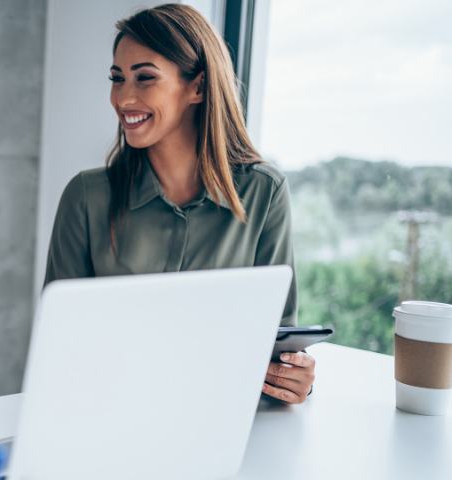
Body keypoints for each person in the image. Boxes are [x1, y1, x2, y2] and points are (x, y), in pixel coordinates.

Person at [44, 4, 315, 404]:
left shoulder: (264, 192)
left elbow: (277, 339)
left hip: (225, 422)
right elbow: (60, 345)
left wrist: (295, 377)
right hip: (110, 414)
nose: (124, 97)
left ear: (199, 87)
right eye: (117, 78)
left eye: (145, 78)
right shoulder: (85, 197)